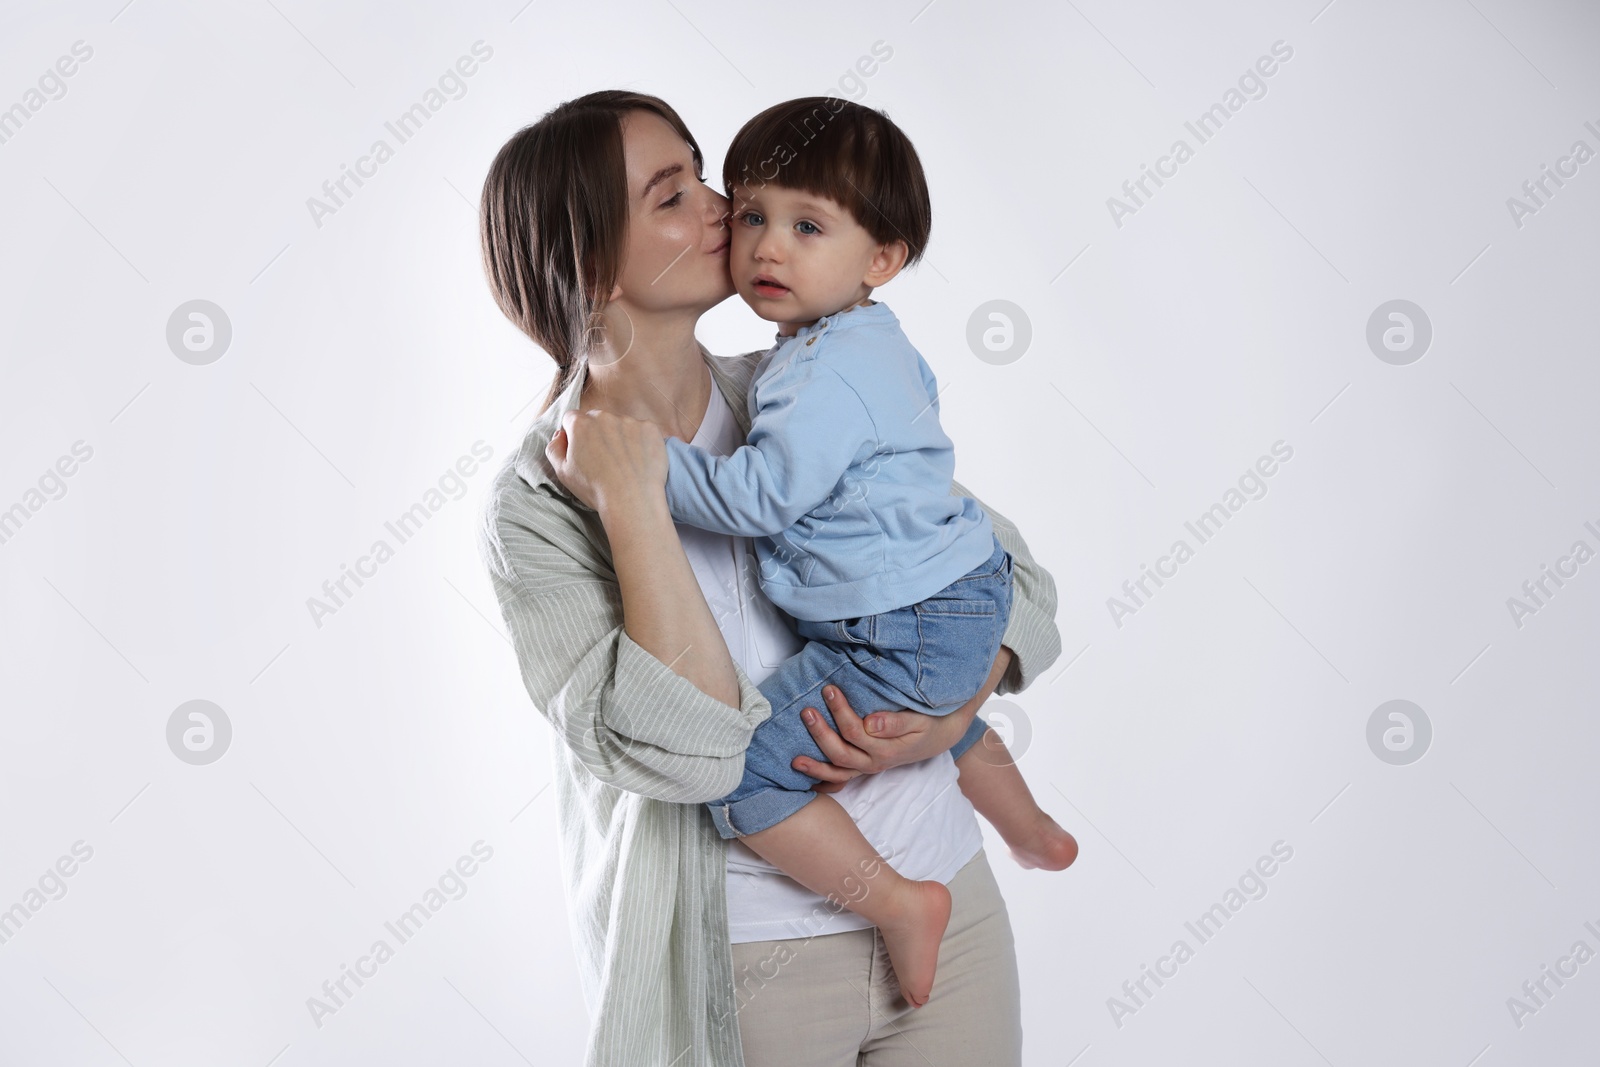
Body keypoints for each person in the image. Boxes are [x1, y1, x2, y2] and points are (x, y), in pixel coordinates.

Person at [477, 89, 1065, 1067]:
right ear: (587, 264)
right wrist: (630, 502)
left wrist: (951, 700)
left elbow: (1003, 571)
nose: (723, 205)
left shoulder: (797, 384)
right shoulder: (539, 501)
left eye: (703, 173)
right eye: (673, 196)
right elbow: (693, 752)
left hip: (951, 911)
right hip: (746, 967)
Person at [648, 97, 1076, 1008]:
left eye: (808, 226)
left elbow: (758, 497)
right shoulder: (865, 345)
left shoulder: (819, 374)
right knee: (946, 714)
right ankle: (1029, 825)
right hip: (959, 595)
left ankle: (897, 901)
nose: (767, 247)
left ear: (882, 259)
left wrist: (645, 465)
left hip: (906, 622)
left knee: (745, 770)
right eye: (754, 215)